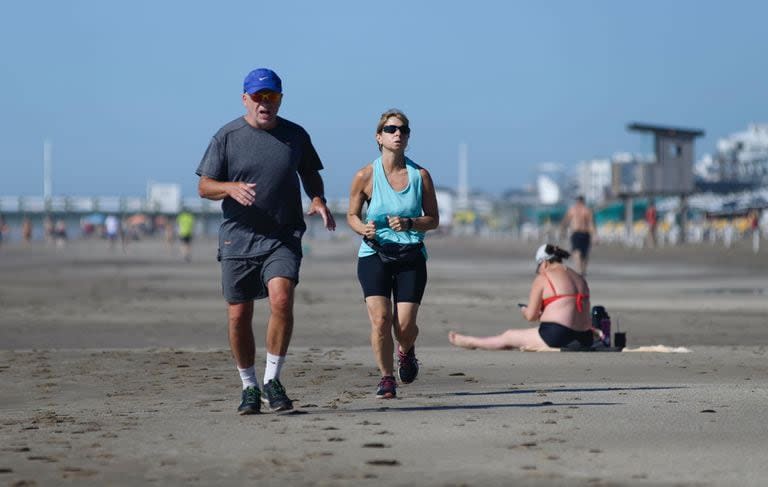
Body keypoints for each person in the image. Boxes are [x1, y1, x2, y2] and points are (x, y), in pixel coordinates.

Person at [196, 68, 335, 415]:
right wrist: (229, 188)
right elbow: (204, 186)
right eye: (258, 97)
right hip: (238, 238)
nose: (265, 103)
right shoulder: (226, 137)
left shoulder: (295, 135)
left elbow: (310, 173)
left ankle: (273, 380)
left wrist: (317, 200)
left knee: (282, 299)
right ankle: (249, 386)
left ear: (280, 100)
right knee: (238, 315)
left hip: (282, 235)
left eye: (271, 97)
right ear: (245, 99)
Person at [347, 109, 439, 399]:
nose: (397, 133)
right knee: (381, 319)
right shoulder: (365, 175)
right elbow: (351, 215)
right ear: (379, 137)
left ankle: (407, 350)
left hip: (410, 255)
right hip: (374, 254)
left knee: (404, 326)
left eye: (403, 130)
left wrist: (411, 223)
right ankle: (387, 378)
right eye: (390, 129)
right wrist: (363, 228)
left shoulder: (419, 175)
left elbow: (433, 219)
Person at [449, 244, 593, 351]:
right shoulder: (579, 277)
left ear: (544, 262)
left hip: (557, 335)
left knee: (509, 336)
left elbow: (531, 316)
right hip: (585, 337)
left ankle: (472, 342)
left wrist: (525, 310)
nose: (538, 271)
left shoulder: (545, 277)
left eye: (538, 267)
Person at [560, 195, 596, 275]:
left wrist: (594, 236)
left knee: (584, 253)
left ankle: (583, 270)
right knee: (576, 252)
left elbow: (591, 224)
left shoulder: (587, 210)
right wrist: (563, 230)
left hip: (585, 233)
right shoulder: (572, 210)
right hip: (576, 233)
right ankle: (579, 269)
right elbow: (565, 221)